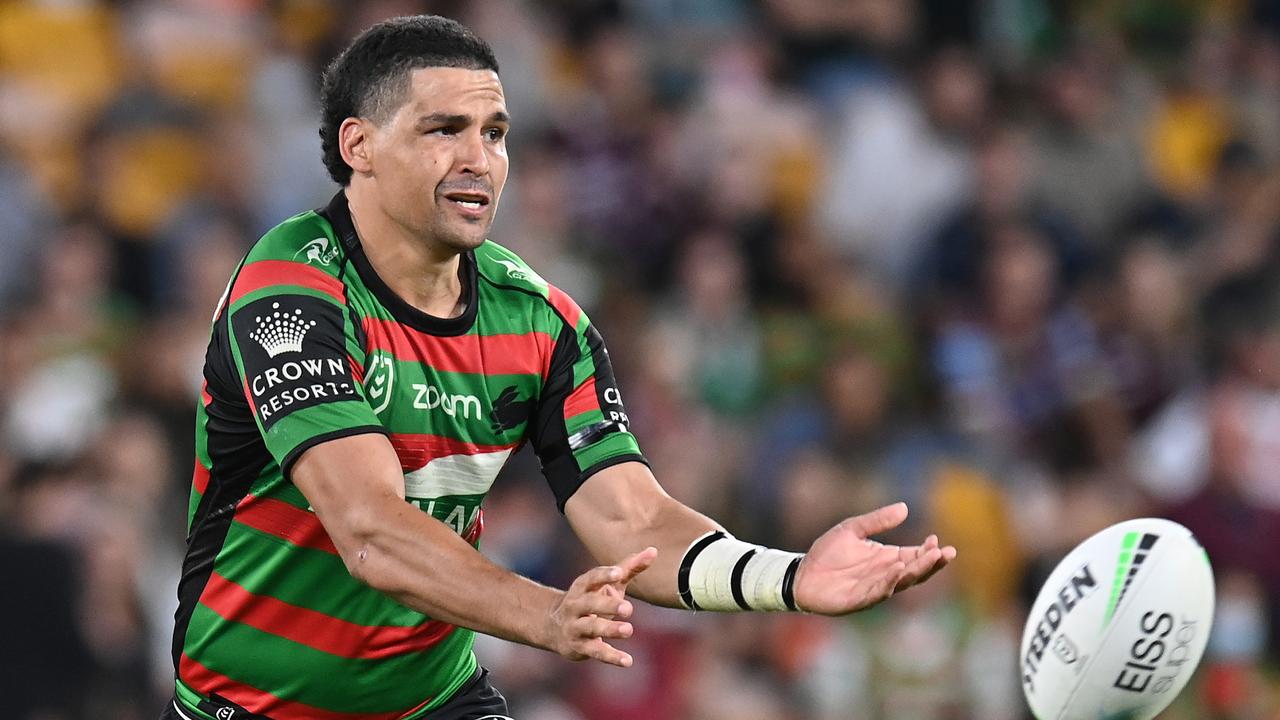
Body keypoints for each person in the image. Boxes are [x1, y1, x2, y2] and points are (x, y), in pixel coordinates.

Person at [162, 15, 956, 720]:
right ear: (358, 146)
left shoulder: (543, 322)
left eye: (496, 132)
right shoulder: (290, 289)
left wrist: (787, 579)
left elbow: (632, 522)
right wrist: (542, 616)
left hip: (432, 700)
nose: (480, 159)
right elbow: (370, 532)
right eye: (444, 129)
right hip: (254, 706)